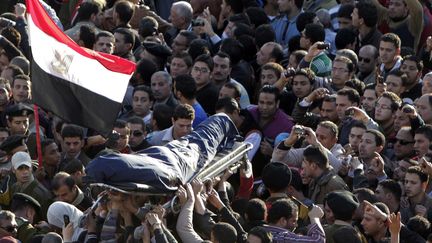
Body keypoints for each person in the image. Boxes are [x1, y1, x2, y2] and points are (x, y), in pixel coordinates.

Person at [10, 152, 52, 221]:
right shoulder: (14, 187)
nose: (25, 172)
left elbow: (47, 220)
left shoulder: (42, 193)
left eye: (27, 168)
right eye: (20, 168)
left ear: (31, 168)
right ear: (13, 170)